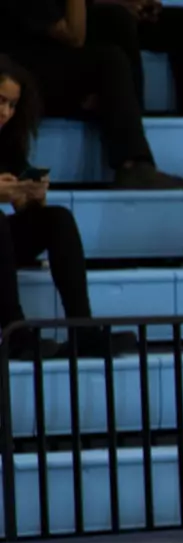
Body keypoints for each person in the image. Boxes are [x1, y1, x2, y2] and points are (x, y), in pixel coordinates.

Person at [0, 55, 123, 359]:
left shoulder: (7, 140)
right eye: (1, 101)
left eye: (12, 105)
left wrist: (31, 194)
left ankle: (84, 332)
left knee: (57, 219)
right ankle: (16, 333)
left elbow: (24, 208)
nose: (6, 112)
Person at [0, 0, 183, 187]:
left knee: (118, 19)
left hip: (47, 52)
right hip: (17, 64)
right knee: (110, 61)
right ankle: (131, 163)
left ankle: (132, 128)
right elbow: (74, 36)